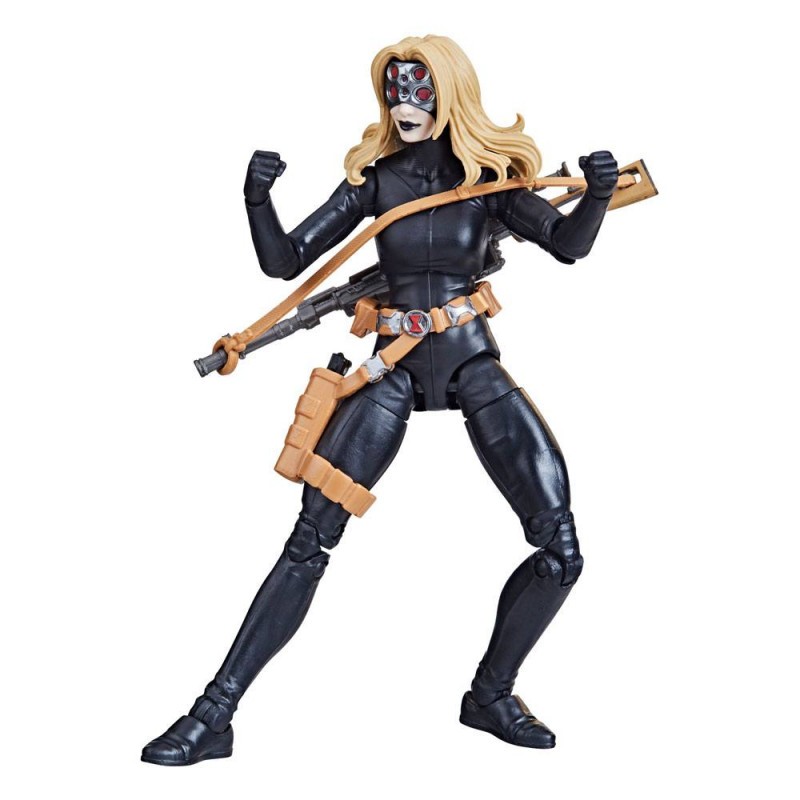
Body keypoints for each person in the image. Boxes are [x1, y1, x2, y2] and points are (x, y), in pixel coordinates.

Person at [142, 34, 618, 766]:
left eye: (420, 88)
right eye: (395, 87)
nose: (405, 102)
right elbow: (286, 261)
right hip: (389, 365)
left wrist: (601, 195)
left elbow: (567, 243)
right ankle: (214, 716)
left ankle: (490, 695)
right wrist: (256, 200)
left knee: (561, 549)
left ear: (449, 92)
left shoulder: (488, 180)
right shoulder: (377, 181)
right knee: (310, 539)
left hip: (469, 362)